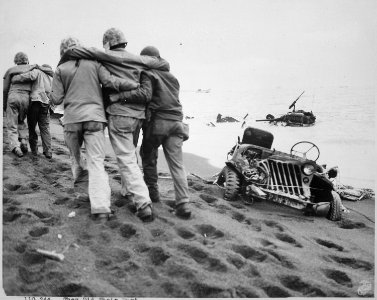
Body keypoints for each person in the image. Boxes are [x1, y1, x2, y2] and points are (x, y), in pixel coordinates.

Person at [58, 28, 171, 222]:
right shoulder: (138, 59)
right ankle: (129, 192)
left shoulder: (104, 55)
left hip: (118, 114)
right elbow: (164, 64)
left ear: (108, 43)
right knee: (130, 154)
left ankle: (142, 202)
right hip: (138, 116)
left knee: (125, 158)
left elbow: (76, 53)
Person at [51, 36, 139, 221]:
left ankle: (83, 194)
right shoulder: (94, 63)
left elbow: (57, 99)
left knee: (75, 158)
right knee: (97, 162)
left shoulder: (60, 69)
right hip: (95, 119)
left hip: (72, 119)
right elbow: (111, 82)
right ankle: (100, 207)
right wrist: (133, 85)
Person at [110, 46, 191, 218]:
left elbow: (145, 95)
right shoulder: (173, 77)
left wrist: (121, 97)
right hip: (177, 122)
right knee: (177, 164)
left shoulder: (148, 74)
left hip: (158, 123)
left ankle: (153, 195)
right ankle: (183, 204)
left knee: (148, 154)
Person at [11, 64, 54, 158]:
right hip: (45, 104)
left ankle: (34, 151)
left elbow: (30, 76)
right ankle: (48, 152)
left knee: (32, 127)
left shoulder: (38, 72)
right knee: (45, 128)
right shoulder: (50, 78)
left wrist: (16, 78)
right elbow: (51, 94)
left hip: (35, 101)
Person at [3, 52, 36, 157]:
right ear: (26, 59)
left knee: (12, 124)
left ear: (16, 60)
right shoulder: (32, 69)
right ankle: (23, 141)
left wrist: (4, 104)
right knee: (21, 120)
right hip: (26, 98)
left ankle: (16, 147)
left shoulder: (10, 71)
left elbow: (5, 89)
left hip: (13, 96)